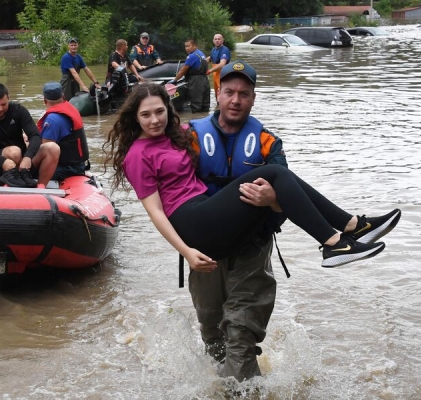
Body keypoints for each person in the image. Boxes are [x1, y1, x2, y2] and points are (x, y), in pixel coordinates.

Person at [102, 82, 402, 377]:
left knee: (279, 176)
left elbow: (214, 127)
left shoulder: (177, 136)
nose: (155, 120)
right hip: (191, 221)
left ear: (168, 110)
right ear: (134, 118)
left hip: (209, 214)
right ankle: (340, 238)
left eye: (159, 112)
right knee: (275, 173)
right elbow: (155, 211)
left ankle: (350, 229)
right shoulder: (137, 155)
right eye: (146, 115)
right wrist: (186, 252)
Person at [185, 60, 285, 381]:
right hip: (206, 252)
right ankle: (226, 384)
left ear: (253, 98)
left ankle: (244, 392)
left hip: (251, 249)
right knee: (212, 332)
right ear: (218, 93)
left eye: (244, 93)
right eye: (229, 92)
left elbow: (290, 194)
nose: (236, 100)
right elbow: (169, 190)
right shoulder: (190, 137)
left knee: (240, 332)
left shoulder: (268, 142)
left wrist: (273, 198)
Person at [0, 83, 59, 188]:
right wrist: (2, 161)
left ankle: (40, 187)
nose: (0, 109)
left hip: (22, 165)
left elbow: (35, 135)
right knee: (14, 152)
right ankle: (10, 184)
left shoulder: (19, 110)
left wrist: (28, 157)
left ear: (9, 99)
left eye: (4, 104)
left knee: (53, 148)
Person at [37, 82, 90, 181]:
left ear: (44, 100)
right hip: (79, 164)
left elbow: (46, 151)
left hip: (67, 169)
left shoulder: (52, 120)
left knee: (24, 171)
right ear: (63, 96)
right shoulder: (71, 109)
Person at [169, 39, 210, 113]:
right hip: (205, 80)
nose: (187, 48)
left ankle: (195, 119)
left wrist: (175, 80)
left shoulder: (191, 56)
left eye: (188, 46)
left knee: (196, 104)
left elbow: (182, 71)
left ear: (194, 46)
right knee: (205, 104)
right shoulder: (201, 53)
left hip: (196, 82)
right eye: (185, 46)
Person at [206, 33, 231, 101]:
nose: (217, 40)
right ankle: (218, 108)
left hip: (223, 74)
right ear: (213, 41)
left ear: (222, 40)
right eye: (215, 39)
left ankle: (223, 108)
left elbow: (222, 64)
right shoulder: (213, 50)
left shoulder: (224, 50)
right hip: (215, 75)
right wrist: (200, 61)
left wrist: (210, 70)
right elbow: (210, 59)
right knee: (216, 93)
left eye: (219, 39)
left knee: (223, 92)